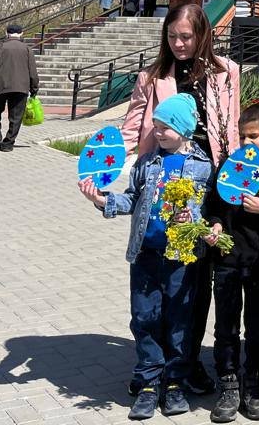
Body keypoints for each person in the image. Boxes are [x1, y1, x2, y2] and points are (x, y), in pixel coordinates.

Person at [122, 3, 241, 397]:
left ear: (202, 35)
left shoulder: (227, 72)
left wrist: (237, 187)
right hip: (168, 181)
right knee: (173, 276)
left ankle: (186, 362)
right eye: (172, 36)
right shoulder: (153, 76)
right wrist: (105, 172)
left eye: (186, 37)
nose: (178, 43)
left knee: (199, 279)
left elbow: (232, 130)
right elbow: (130, 127)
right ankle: (166, 368)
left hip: (213, 183)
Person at [79, 94, 214, 420]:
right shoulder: (146, 163)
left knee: (178, 322)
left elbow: (208, 214)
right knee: (144, 318)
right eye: (156, 126)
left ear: (183, 128)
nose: (158, 133)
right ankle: (149, 381)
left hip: (180, 258)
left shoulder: (203, 167)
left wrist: (193, 219)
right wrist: (101, 200)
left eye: (165, 127)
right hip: (145, 255)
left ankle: (174, 382)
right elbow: (132, 200)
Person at [203, 103, 259, 424]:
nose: (248, 143)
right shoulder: (227, 166)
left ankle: (254, 385)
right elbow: (213, 205)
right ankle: (229, 384)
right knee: (226, 325)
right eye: (242, 137)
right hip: (227, 260)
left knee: (258, 324)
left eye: (255, 136)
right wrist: (216, 224)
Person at [0, 24, 40, 152]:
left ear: (6, 33)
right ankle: (8, 143)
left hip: (0, 86)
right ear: (22, 33)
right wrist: (34, 89)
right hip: (20, 87)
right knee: (16, 117)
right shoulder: (27, 49)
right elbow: (33, 72)